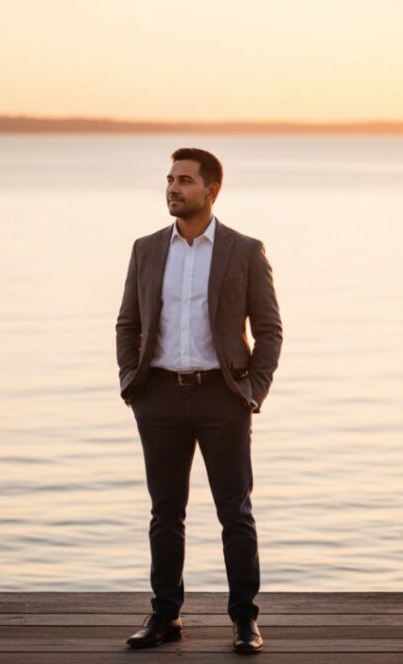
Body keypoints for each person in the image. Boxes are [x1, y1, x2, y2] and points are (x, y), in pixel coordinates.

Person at [115, 147, 282, 653]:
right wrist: (131, 383)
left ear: (211, 190)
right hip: (159, 397)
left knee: (235, 513)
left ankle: (244, 620)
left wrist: (253, 391)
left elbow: (269, 329)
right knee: (165, 512)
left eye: (184, 180)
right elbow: (128, 322)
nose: (172, 188)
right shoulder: (146, 249)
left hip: (222, 398)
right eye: (169, 179)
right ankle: (165, 615)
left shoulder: (244, 250)